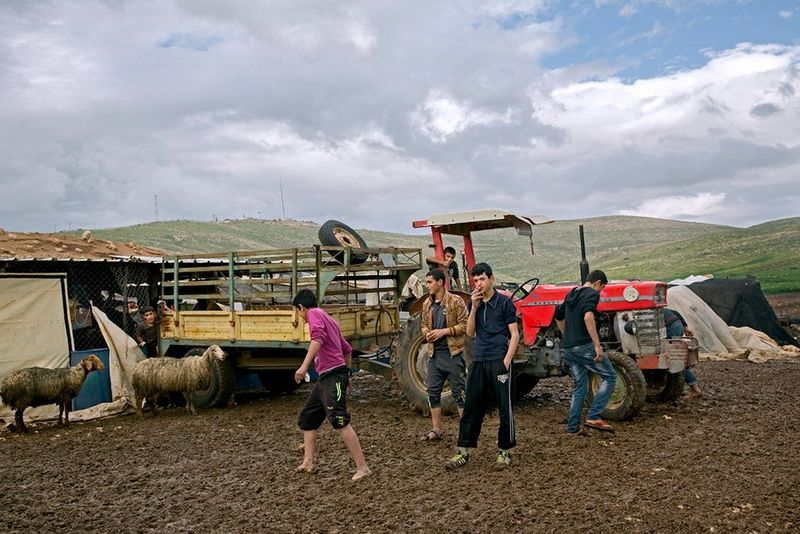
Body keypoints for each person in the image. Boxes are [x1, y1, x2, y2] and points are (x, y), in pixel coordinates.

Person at [446, 262, 519, 470]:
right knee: (471, 405)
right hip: (479, 358)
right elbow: (469, 333)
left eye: (482, 279)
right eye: (475, 280)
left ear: (491, 279)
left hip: (499, 359)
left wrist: (505, 362)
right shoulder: (474, 303)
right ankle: (463, 451)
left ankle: (505, 451)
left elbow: (514, 335)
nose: (478, 283)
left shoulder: (504, 303)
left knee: (504, 406)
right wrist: (474, 307)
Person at [292, 289, 371, 481]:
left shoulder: (314, 314)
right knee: (308, 417)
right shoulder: (329, 319)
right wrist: (348, 374)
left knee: (339, 419)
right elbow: (347, 349)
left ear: (302, 308)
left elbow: (317, 339)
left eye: (297, 312)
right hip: (329, 376)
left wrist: (303, 367)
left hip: (332, 375)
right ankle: (308, 461)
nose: (300, 317)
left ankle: (363, 467)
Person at [554, 270, 616, 435]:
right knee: (610, 376)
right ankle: (594, 415)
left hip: (568, 348)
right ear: (597, 283)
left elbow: (558, 315)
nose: (599, 292)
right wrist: (597, 345)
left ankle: (572, 427)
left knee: (580, 386)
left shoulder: (571, 293)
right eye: (601, 288)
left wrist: (566, 335)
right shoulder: (591, 294)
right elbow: (588, 318)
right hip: (583, 347)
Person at [419, 269, 468, 441]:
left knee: (459, 392)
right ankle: (436, 429)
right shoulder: (427, 304)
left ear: (440, 282)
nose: (427, 286)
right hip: (434, 355)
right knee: (432, 392)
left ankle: (466, 431)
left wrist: (444, 332)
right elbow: (423, 324)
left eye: (429, 282)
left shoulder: (456, 301)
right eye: (426, 283)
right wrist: (427, 334)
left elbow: (465, 325)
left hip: (453, 354)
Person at [664, 307, 703, 398]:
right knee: (674, 358)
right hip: (678, 325)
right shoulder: (659, 308)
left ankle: (695, 389)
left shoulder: (642, 311)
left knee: (672, 360)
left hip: (671, 327)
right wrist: (685, 327)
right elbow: (675, 312)